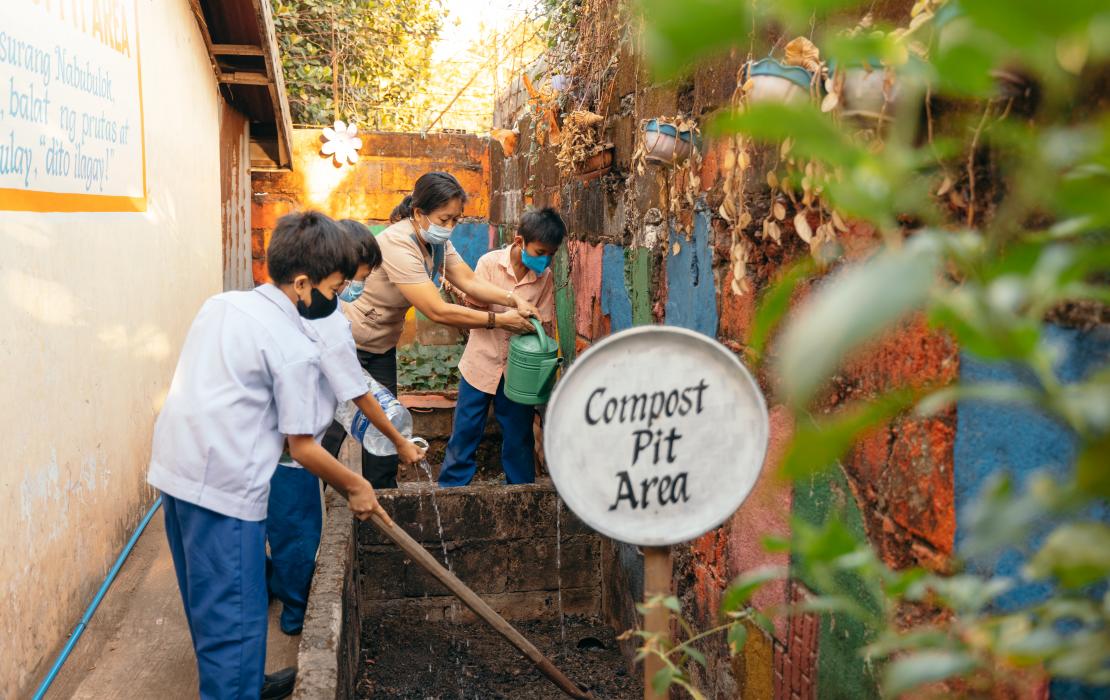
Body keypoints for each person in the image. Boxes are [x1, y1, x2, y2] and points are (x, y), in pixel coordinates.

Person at [147, 211, 390, 700]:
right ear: (302, 284)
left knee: (209, 607)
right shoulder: (294, 346)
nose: (336, 299)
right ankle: (235, 688)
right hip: (223, 491)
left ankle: (241, 682)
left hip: (174, 471)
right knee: (234, 624)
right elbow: (301, 447)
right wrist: (357, 485)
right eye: (335, 287)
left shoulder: (222, 304)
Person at [266, 219, 425, 638]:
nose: (354, 289)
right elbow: (358, 393)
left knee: (276, 526)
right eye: (350, 281)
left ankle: (278, 585)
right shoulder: (330, 321)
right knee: (299, 531)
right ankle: (298, 612)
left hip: (261, 447)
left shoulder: (275, 307)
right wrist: (398, 442)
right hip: (285, 450)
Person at [344, 172, 539, 488]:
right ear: (419, 213)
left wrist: (511, 298)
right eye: (444, 219)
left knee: (383, 426)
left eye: (455, 221)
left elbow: (471, 282)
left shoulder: (436, 242)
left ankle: (382, 502)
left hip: (381, 346)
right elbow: (437, 310)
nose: (449, 228)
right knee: (334, 426)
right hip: (350, 343)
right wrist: (500, 320)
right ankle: (314, 494)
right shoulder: (397, 243)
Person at [439, 208, 566, 487]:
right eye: (541, 251)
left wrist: (524, 324)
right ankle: (450, 492)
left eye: (551, 254)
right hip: (480, 364)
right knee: (465, 431)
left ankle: (521, 497)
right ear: (520, 242)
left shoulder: (543, 278)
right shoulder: (489, 264)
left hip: (517, 374)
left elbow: (540, 323)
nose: (545, 260)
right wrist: (504, 319)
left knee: (519, 437)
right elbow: (476, 306)